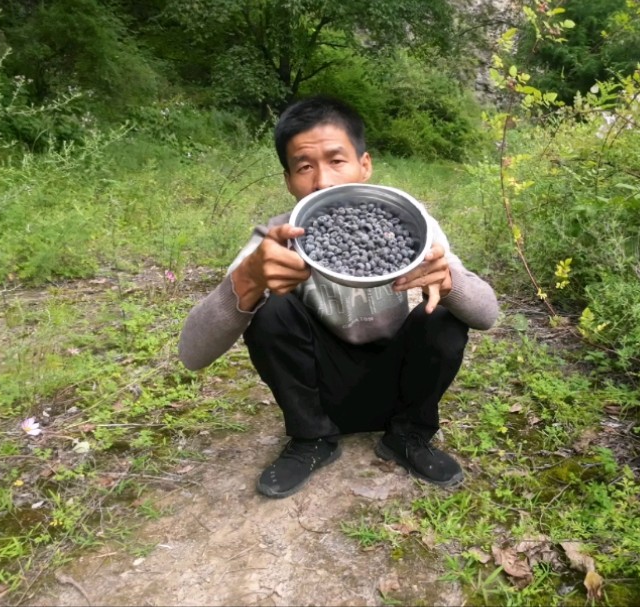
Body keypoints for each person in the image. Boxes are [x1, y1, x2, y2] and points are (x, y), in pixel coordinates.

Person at [178, 96, 499, 499]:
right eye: (305, 166)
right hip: (322, 391)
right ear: (288, 179)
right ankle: (312, 439)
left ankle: (408, 435)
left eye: (336, 160)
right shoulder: (276, 241)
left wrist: (450, 282)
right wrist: (247, 281)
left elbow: (487, 314)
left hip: (397, 383)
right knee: (268, 306)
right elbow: (192, 354)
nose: (323, 182)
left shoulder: (411, 227)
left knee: (444, 315)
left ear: (365, 165)